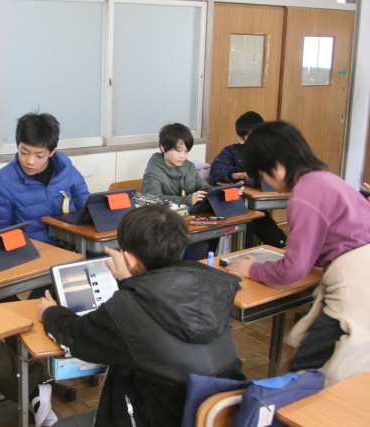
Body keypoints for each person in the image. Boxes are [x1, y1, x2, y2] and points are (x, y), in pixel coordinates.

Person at [38, 205, 245, 426]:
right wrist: (129, 281)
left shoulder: (126, 308)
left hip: (155, 417)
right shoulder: (215, 285)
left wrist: (51, 312)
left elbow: (77, 337)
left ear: (129, 258)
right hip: (220, 415)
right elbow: (163, 305)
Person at [225, 121, 370, 386]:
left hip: (356, 284)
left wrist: (252, 269)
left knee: (308, 371)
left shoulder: (304, 193)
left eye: (262, 173)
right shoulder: (327, 178)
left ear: (277, 165)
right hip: (361, 271)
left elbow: (292, 270)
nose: (264, 181)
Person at [0, 112, 89, 245]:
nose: (30, 161)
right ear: (17, 146)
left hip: (73, 244)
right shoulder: (3, 181)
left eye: (39, 155)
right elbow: (2, 231)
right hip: (34, 250)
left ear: (52, 151)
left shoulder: (66, 170)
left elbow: (86, 210)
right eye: (24, 152)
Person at [209, 111, 286, 248]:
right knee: (246, 234)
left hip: (259, 206)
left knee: (275, 239)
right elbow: (216, 171)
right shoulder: (231, 151)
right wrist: (237, 175)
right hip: (236, 207)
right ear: (241, 138)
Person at [142, 123, 215, 259]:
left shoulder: (189, 167)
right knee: (199, 247)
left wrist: (222, 192)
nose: (183, 156)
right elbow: (153, 200)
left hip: (187, 222)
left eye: (186, 151)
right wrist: (187, 200)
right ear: (163, 147)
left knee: (211, 240)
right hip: (164, 227)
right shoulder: (153, 171)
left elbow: (204, 187)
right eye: (178, 150)